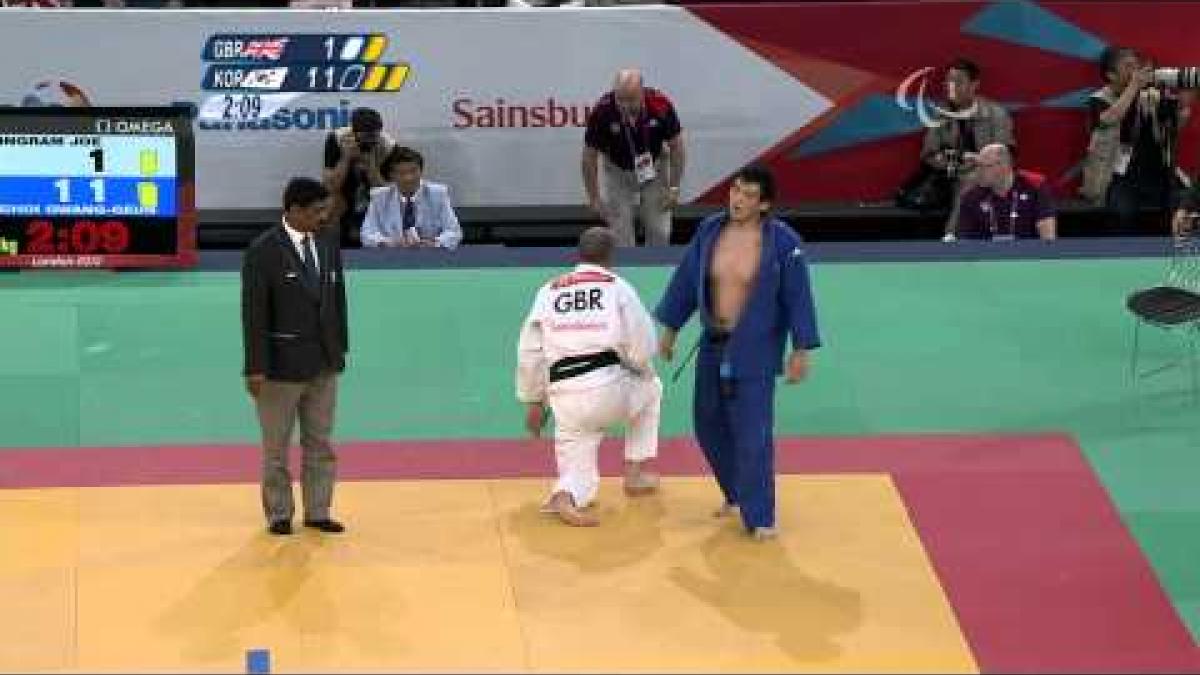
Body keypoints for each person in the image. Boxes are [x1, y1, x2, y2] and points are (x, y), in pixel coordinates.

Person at [654, 164, 820, 540]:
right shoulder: (710, 230)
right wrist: (670, 327)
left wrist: (801, 348)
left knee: (753, 435)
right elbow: (685, 280)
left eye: (748, 195)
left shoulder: (783, 243)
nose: (737, 199)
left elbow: (798, 297)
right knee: (708, 424)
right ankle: (736, 492)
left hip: (754, 352)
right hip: (712, 346)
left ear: (764, 204)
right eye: (735, 190)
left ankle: (760, 517)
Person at [515, 226, 663, 527]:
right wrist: (637, 366)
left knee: (578, 469)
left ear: (578, 255)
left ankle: (566, 495)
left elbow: (530, 351)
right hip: (608, 388)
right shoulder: (618, 286)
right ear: (610, 257)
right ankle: (634, 475)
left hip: (564, 396)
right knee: (652, 387)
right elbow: (644, 345)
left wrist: (533, 401)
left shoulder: (549, 290)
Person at [241, 177, 349, 536]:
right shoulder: (263, 250)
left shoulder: (329, 242)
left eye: (326, 210)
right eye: (317, 211)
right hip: (278, 368)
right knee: (276, 448)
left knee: (320, 443)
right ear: (294, 210)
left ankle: (318, 511)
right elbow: (253, 313)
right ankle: (279, 514)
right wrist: (255, 367)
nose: (324, 217)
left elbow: (337, 299)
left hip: (324, 363)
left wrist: (340, 348)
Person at [1080, 46, 1192, 232]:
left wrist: (1183, 107)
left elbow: (1173, 129)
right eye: (1128, 67)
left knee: (1186, 206)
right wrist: (1134, 87)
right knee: (1120, 212)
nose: (1135, 71)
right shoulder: (1099, 99)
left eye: (1136, 66)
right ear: (1111, 75)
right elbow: (1109, 119)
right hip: (1119, 176)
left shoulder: (1152, 95)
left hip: (1159, 174)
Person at [582, 68, 685, 247]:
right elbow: (588, 158)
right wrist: (594, 197)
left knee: (659, 230)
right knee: (620, 234)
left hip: (654, 169)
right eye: (620, 99)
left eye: (630, 100)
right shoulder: (602, 111)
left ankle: (656, 270)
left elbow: (677, 148)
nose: (624, 105)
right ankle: (626, 272)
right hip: (617, 171)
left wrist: (674, 187)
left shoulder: (660, 105)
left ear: (642, 93)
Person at [918, 58, 1015, 241]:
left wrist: (979, 162)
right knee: (969, 180)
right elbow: (929, 153)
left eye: (958, 81)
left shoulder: (996, 113)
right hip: (950, 175)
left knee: (973, 180)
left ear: (974, 84)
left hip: (990, 174)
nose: (951, 86)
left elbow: (1005, 153)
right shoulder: (940, 115)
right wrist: (953, 164)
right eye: (948, 81)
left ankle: (952, 235)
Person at [360, 146, 463, 250]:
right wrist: (388, 243)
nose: (408, 178)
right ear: (392, 175)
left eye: (413, 171)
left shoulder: (438, 194)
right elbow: (367, 234)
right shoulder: (379, 197)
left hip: (430, 256)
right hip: (392, 257)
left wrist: (435, 243)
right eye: (401, 173)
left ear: (421, 171)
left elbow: (454, 232)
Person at [322, 107, 397, 247]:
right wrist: (345, 158)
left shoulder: (387, 146)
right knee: (332, 203)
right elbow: (329, 186)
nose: (369, 143)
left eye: (373, 138)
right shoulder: (338, 139)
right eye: (365, 138)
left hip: (373, 193)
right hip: (345, 191)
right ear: (354, 133)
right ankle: (330, 251)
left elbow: (387, 194)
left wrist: (371, 166)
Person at [954, 143, 1056, 241]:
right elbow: (963, 241)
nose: (979, 172)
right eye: (978, 166)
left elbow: (1047, 239)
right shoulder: (971, 196)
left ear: (1003, 166)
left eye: (984, 166)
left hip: (1029, 255)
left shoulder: (1035, 186)